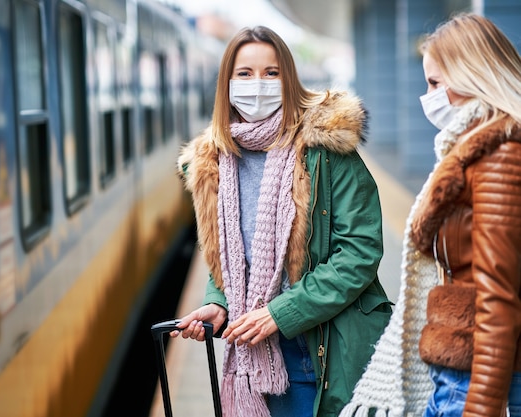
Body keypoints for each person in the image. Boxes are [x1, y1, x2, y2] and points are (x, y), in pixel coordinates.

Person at [170, 25, 393, 417]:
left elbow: (360, 251)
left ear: (288, 79)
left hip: (321, 350)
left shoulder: (325, 150)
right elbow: (230, 251)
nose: (258, 84)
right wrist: (218, 302)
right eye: (245, 74)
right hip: (252, 354)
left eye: (271, 73)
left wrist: (280, 313)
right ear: (227, 84)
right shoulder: (212, 161)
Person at [339, 13, 521, 417]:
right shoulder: (471, 152)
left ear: (474, 76)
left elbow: (499, 297)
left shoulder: (498, 157)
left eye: (436, 83)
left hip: (477, 379)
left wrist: (483, 407)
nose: (428, 96)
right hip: (458, 372)